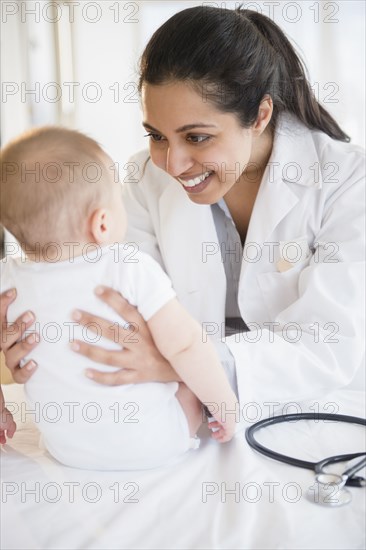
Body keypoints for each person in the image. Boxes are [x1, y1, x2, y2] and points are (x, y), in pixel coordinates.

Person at [1, 6, 365, 414]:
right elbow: (114, 313)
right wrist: (35, 327)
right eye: (156, 135)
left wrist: (186, 363)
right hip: (183, 413)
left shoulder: (348, 181)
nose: (172, 164)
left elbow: (326, 346)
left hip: (324, 412)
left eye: (197, 137)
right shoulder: (144, 180)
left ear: (260, 115)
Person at [0, 126, 238, 470]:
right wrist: (224, 406)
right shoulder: (128, 267)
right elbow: (187, 346)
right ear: (101, 224)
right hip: (156, 442)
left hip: (66, 448)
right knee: (187, 386)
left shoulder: (8, 279)